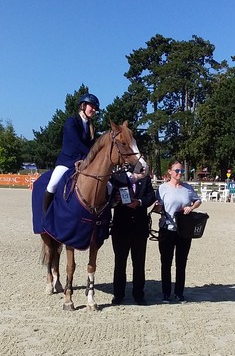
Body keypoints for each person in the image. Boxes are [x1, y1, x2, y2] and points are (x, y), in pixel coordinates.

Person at [43, 93, 100, 212]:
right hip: (67, 161)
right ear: (83, 106)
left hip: (84, 161)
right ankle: (45, 216)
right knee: (52, 184)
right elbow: (76, 143)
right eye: (92, 107)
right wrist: (92, 155)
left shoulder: (91, 126)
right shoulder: (71, 122)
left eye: (95, 108)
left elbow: (93, 144)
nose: (94, 110)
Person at [110, 169, 157, 306]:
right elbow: (108, 198)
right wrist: (115, 200)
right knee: (120, 263)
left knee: (139, 263)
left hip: (139, 228)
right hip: (121, 228)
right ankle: (118, 294)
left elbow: (151, 196)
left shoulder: (145, 179)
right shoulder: (116, 178)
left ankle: (139, 294)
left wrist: (140, 202)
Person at [156, 160, 201, 303]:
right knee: (166, 262)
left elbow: (198, 200)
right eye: (177, 171)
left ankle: (179, 292)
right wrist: (158, 207)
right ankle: (166, 292)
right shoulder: (162, 188)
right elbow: (157, 207)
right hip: (167, 229)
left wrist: (191, 207)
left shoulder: (187, 188)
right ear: (169, 172)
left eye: (181, 171)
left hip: (184, 230)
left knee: (181, 263)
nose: (179, 173)